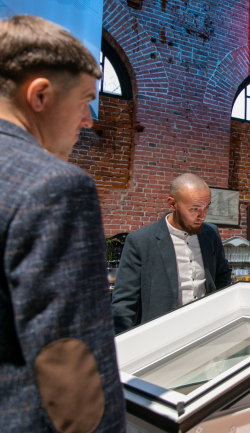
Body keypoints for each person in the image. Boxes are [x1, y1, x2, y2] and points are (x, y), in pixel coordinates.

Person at [0, 15, 126, 432]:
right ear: (39, 95)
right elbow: (70, 357)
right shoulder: (54, 186)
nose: (89, 120)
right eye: (85, 99)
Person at [112, 173, 232, 333]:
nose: (202, 216)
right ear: (172, 204)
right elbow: (124, 303)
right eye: (194, 209)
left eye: (206, 207)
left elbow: (222, 275)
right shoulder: (140, 241)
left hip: (206, 328)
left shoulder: (211, 234)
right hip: (161, 334)